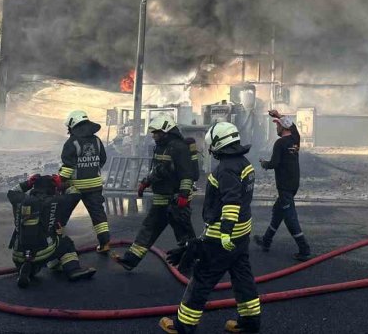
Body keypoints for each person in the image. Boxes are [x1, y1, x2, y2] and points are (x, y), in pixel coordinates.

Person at [159, 121, 260, 334]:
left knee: (202, 279)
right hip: (242, 235)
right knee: (242, 278)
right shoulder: (244, 163)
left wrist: (224, 234)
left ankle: (183, 325)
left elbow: (231, 202)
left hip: (223, 237)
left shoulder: (225, 169)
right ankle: (250, 322)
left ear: (218, 143)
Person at [116, 113, 196, 271]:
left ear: (166, 131)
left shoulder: (179, 148)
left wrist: (183, 195)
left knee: (184, 234)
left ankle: (195, 262)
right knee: (149, 228)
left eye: (156, 133)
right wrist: (146, 182)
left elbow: (187, 175)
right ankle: (131, 260)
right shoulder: (161, 147)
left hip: (176, 199)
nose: (153, 136)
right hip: (161, 197)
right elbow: (158, 170)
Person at [7, 174, 97, 288]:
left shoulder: (21, 199)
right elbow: (76, 194)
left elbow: (11, 191)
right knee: (65, 242)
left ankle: (27, 270)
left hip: (18, 256)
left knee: (47, 247)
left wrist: (27, 183)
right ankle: (74, 270)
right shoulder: (56, 201)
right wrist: (62, 185)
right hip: (43, 252)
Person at [253, 110, 311, 261]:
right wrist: (278, 116)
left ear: (283, 128)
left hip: (284, 185)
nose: (276, 128)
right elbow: (294, 128)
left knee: (290, 217)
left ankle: (304, 249)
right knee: (277, 211)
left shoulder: (279, 143)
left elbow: (274, 164)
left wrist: (264, 163)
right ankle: (266, 241)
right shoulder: (295, 139)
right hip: (293, 184)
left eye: (277, 125)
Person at [58, 110, 111, 252]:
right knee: (98, 215)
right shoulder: (97, 140)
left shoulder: (71, 142)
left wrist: (59, 180)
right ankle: (105, 244)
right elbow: (103, 159)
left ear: (72, 126)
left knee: (61, 215)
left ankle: (54, 246)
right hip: (95, 186)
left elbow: (68, 167)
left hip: (74, 188)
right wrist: (92, 168)